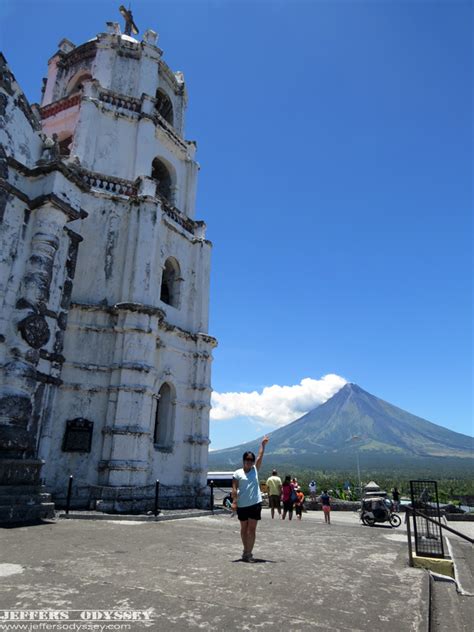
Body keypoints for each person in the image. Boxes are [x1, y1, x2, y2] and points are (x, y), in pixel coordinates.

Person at [231, 436, 269, 562]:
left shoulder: (255, 470)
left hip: (255, 504)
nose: (249, 461)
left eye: (251, 460)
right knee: (244, 529)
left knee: (251, 529)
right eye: (247, 459)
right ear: (243, 460)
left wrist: (262, 445)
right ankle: (245, 550)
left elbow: (260, 456)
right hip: (242, 504)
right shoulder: (237, 473)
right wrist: (234, 502)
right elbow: (234, 489)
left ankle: (248, 553)